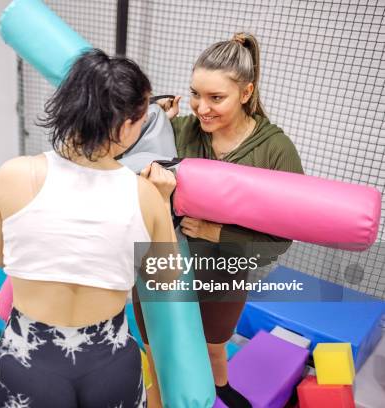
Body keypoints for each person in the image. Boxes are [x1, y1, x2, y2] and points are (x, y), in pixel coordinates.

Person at [0, 49, 177, 408]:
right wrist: (162, 204)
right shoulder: (145, 196)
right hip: (109, 362)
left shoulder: (12, 175)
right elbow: (165, 280)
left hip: (27, 359)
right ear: (124, 126)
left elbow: (1, 258)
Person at [135, 33, 304, 408]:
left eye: (216, 98)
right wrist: (153, 127)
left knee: (213, 350)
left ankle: (221, 388)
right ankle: (158, 396)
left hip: (222, 268)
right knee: (156, 348)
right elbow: (131, 173)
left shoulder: (275, 150)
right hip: (161, 265)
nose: (201, 108)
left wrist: (218, 232)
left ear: (246, 93)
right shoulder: (179, 131)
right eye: (196, 94)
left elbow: (282, 240)